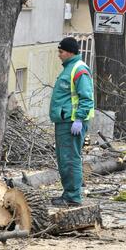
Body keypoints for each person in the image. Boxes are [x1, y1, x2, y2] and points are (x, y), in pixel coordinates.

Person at [49, 37, 94, 207]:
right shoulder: (69, 68)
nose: (59, 55)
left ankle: (72, 196)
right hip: (64, 122)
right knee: (64, 159)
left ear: (69, 52)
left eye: (61, 52)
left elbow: (86, 98)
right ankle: (68, 193)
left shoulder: (78, 69)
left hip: (72, 123)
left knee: (70, 159)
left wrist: (79, 119)